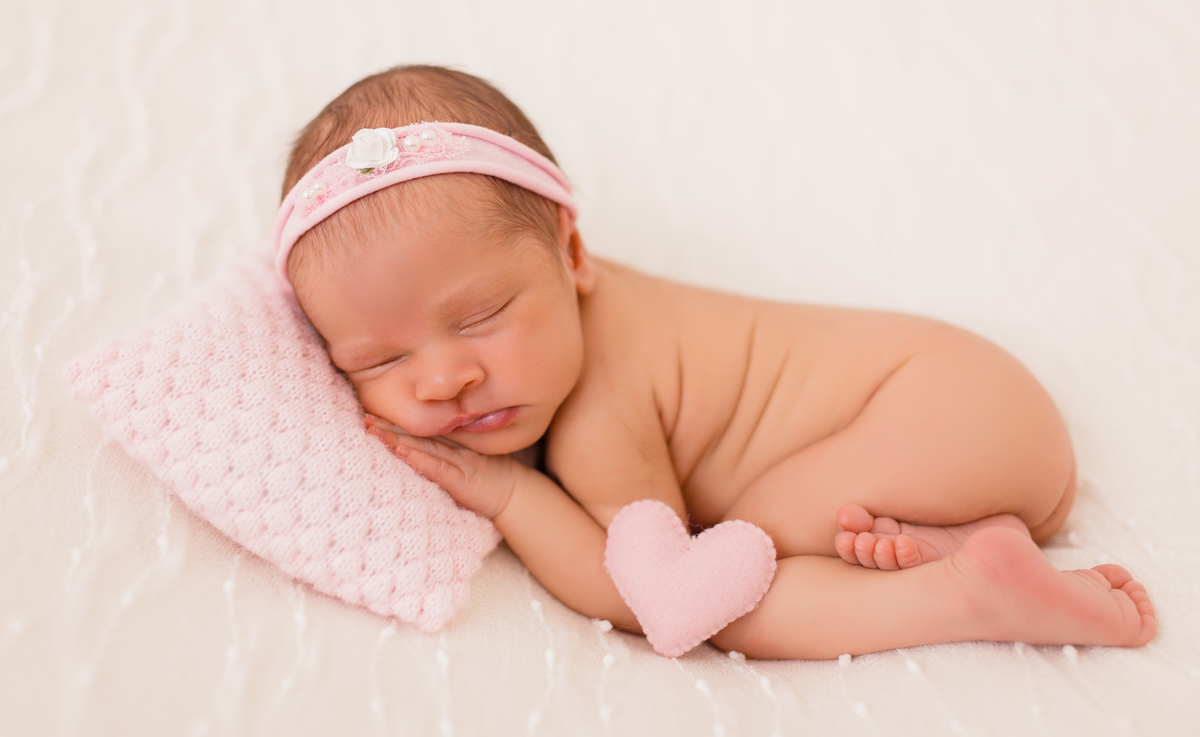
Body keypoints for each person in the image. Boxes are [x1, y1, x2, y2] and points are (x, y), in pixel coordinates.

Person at [275, 64, 1155, 659]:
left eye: (483, 315)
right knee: (757, 540)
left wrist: (513, 493)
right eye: (378, 359)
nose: (442, 379)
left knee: (723, 590)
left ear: (571, 256)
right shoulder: (574, 304)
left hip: (935, 409)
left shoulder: (595, 416)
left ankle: (972, 594)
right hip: (979, 408)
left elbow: (643, 596)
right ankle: (959, 540)